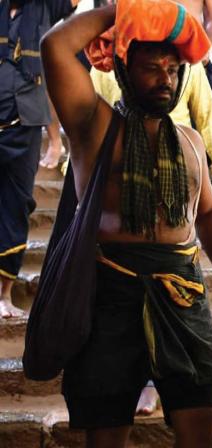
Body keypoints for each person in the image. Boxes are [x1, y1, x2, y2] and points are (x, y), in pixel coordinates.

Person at [41, 0, 212, 445]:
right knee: (106, 431)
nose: (165, 78)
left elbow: (207, 212)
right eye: (152, 67)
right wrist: (126, 10)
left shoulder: (189, 141)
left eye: (173, 69)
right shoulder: (93, 126)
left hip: (184, 292)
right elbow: (54, 45)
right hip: (111, 293)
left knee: (201, 415)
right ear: (125, 69)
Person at [0, 0, 78, 318]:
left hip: (25, 125)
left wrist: (55, 141)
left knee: (16, 205)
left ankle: (3, 295)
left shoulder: (47, 7)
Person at [91, 62, 212, 184]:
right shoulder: (106, 63)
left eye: (172, 70)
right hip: (123, 162)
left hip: (180, 161)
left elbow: (208, 118)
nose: (165, 80)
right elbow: (90, 122)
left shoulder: (191, 64)